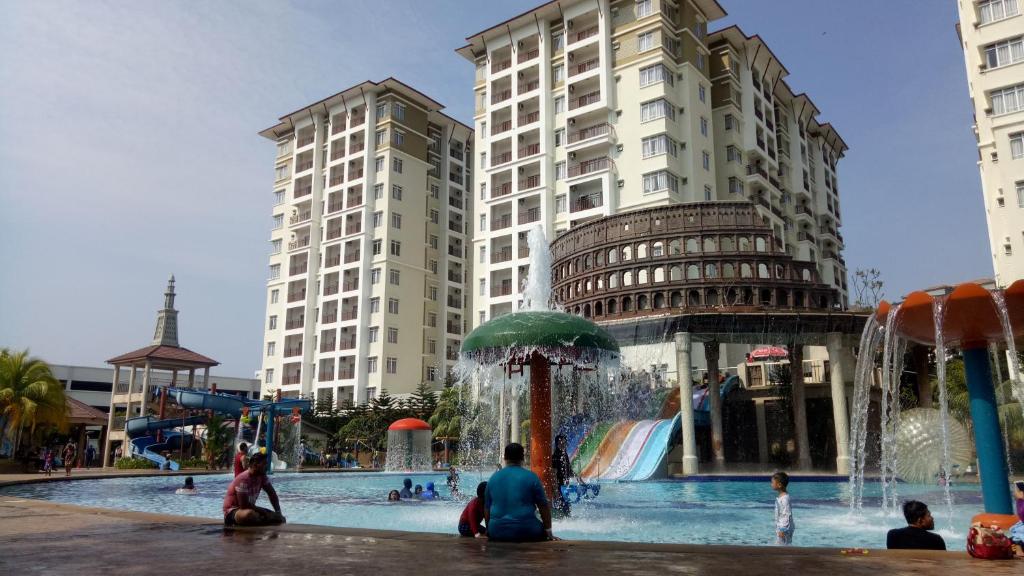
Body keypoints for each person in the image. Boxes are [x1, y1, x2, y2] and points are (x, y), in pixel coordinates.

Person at [484, 443, 555, 542]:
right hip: (526, 530)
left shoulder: (493, 478)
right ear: (522, 457)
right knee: (541, 529)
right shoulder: (531, 477)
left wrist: (489, 529)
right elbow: (543, 506)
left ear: (505, 457)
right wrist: (549, 531)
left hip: (496, 531)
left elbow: (487, 508)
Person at [223, 452, 285, 526]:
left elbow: (272, 494)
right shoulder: (243, 479)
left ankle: (262, 519)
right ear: (255, 465)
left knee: (280, 518)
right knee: (249, 515)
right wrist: (263, 511)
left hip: (250, 509)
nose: (267, 467)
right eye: (264, 464)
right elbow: (244, 505)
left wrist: (278, 512)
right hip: (233, 511)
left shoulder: (262, 477)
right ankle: (262, 519)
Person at [551, 435, 574, 515]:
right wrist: (556, 491)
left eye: (564, 443)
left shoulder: (565, 455)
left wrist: (578, 478)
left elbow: (569, 471)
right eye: (561, 443)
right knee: (563, 509)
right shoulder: (555, 457)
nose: (563, 445)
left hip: (564, 488)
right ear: (557, 444)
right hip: (559, 488)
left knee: (567, 508)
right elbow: (553, 475)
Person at [772, 471, 794, 545]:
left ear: (779, 485)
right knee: (784, 544)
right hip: (782, 526)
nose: (771, 484)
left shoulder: (784, 499)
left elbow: (787, 514)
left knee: (782, 545)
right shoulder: (781, 497)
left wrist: (783, 529)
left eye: (772, 482)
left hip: (785, 528)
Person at [1006, 482, 1024, 549]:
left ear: (1021, 492)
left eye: (1016, 491)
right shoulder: (1020, 501)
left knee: (1018, 532)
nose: (1014, 493)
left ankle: (1018, 548)